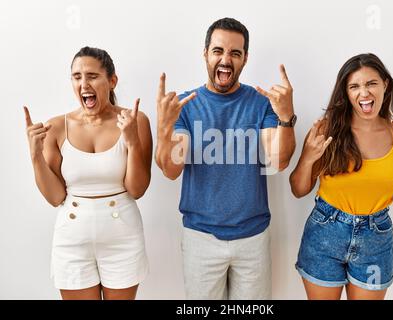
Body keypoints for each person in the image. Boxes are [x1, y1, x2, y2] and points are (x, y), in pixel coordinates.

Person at [155, 17, 296, 299]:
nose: (226, 60)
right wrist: (164, 127)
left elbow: (278, 161)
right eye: (218, 51)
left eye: (235, 53)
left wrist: (286, 118)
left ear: (245, 59)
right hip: (200, 238)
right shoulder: (185, 105)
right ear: (205, 53)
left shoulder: (261, 103)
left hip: (253, 237)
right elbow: (171, 170)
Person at [290, 53, 393, 300]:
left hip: (376, 239)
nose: (364, 93)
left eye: (371, 83)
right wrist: (308, 157)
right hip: (325, 234)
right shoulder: (327, 130)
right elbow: (298, 189)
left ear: (385, 84)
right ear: (346, 93)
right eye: (354, 86)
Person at [24, 46, 152, 300]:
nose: (84, 83)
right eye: (77, 77)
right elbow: (55, 196)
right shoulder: (57, 127)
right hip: (72, 239)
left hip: (122, 236)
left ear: (112, 80)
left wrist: (132, 141)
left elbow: (137, 189)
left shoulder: (135, 121)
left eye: (92, 76)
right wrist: (35, 156)